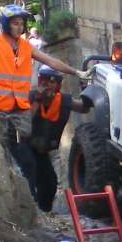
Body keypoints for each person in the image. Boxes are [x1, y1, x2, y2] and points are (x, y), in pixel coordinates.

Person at [0, 5, 89, 199]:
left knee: (27, 161)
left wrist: (76, 72)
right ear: (6, 24)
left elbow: (51, 61)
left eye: (22, 23)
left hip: (19, 113)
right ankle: (4, 196)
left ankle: (28, 201)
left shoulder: (25, 47)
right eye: (15, 23)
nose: (20, 27)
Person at [25, 66, 89, 212]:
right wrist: (37, 100)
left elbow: (83, 108)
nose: (48, 85)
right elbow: (25, 122)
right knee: (29, 177)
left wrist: (86, 89)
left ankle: (44, 213)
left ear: (58, 85)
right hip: (26, 147)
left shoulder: (65, 100)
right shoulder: (31, 97)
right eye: (45, 81)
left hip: (43, 152)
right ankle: (31, 211)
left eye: (53, 82)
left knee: (50, 183)